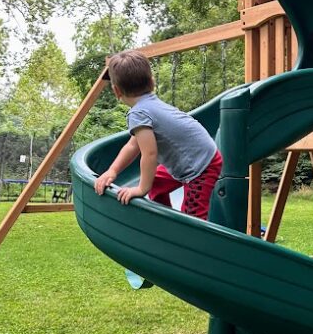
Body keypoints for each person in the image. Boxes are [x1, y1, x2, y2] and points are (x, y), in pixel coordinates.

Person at [94, 50, 222, 219]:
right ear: (152, 82)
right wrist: (113, 171)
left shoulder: (139, 113)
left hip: (201, 166)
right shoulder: (148, 107)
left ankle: (192, 242)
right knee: (154, 181)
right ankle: (164, 222)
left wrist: (141, 189)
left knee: (192, 218)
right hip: (196, 156)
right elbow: (133, 145)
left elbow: (150, 153)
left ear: (116, 91)